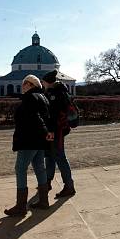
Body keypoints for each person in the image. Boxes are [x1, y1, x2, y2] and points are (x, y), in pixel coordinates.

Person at [4, 75, 54, 217]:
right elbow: (45, 117)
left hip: (29, 139)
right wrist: (45, 132)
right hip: (39, 139)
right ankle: (44, 201)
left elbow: (34, 118)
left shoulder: (30, 98)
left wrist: (41, 130)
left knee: (20, 168)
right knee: (39, 167)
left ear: (31, 84)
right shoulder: (42, 97)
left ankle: (21, 207)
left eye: (25, 83)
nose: (22, 85)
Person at [41, 69, 76, 198]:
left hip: (56, 131)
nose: (42, 84)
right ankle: (47, 182)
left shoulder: (54, 94)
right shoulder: (61, 91)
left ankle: (69, 186)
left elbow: (52, 116)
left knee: (59, 157)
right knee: (50, 157)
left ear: (48, 82)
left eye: (43, 82)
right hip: (57, 130)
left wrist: (50, 131)